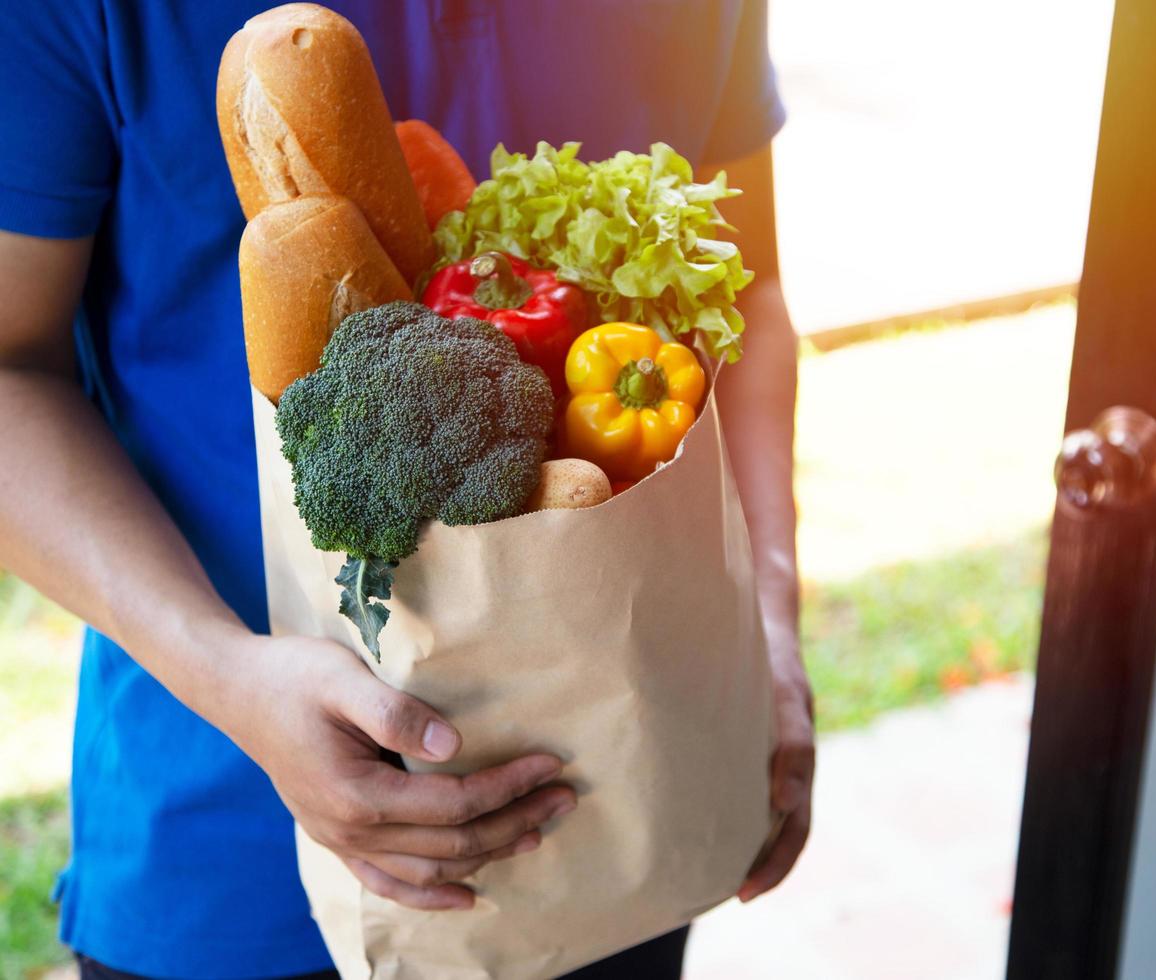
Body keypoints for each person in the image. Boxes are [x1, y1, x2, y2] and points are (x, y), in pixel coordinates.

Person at [0, 1, 813, 977]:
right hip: (229, 843)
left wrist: (767, 608)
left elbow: (747, 288)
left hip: (619, 792)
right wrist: (226, 673)